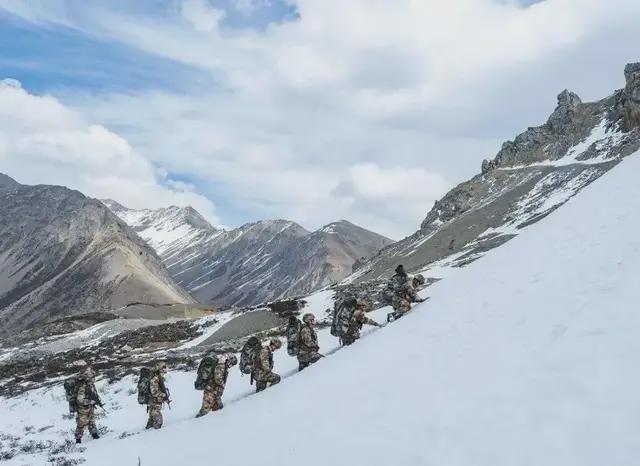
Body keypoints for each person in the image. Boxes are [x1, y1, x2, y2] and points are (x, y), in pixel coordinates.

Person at [74, 367, 102, 444]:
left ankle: (94, 434)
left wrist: (95, 401)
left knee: (92, 421)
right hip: (83, 408)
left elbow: (93, 394)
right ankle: (78, 440)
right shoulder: (83, 386)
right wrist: (90, 402)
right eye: (92, 376)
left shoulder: (90, 384)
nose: (94, 378)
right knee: (81, 424)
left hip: (90, 406)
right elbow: (79, 400)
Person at [147, 362, 170, 429]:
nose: (165, 370)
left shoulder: (158, 377)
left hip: (153, 400)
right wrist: (163, 394)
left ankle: (148, 429)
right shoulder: (155, 378)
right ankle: (156, 433)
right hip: (155, 400)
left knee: (152, 416)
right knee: (158, 421)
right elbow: (154, 392)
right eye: (164, 368)